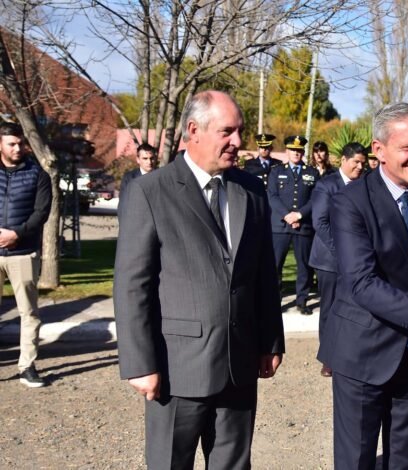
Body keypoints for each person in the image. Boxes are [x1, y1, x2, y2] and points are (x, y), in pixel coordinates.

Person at [114, 90, 285, 468]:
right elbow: (131, 284)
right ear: (193, 130)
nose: (238, 142)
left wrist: (270, 340)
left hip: (239, 364)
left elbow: (262, 275)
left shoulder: (251, 190)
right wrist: (140, 363)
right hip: (178, 369)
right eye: (227, 132)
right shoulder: (150, 191)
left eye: (239, 131)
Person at [319, 102, 408, 469]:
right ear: (378, 150)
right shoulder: (350, 202)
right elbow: (363, 283)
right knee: (357, 460)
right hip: (363, 351)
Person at [0, 122, 52, 388]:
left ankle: (27, 366)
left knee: (28, 312)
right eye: (11, 143)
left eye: (20, 143)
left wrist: (16, 234)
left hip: (23, 252)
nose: (18, 148)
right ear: (1, 144)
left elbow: (41, 212)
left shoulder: (37, 174)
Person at [308, 142, 366, 377]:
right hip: (330, 260)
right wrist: (344, 251)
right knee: (330, 308)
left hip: (358, 259)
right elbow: (320, 222)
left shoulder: (365, 185)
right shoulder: (327, 185)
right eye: (356, 162)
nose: (360, 167)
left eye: (363, 162)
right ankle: (328, 357)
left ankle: (350, 352)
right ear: (343, 160)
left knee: (354, 308)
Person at [268, 135, 320, 315]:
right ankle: (275, 301)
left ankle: (302, 300)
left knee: (304, 265)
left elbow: (316, 198)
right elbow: (272, 196)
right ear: (286, 151)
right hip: (280, 226)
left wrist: (300, 214)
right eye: (293, 150)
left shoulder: (312, 173)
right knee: (275, 265)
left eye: (299, 150)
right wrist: (287, 215)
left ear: (303, 152)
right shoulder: (276, 171)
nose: (296, 153)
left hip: (303, 226)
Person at [118, 143, 157, 216]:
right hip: (135, 221)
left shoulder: (161, 177)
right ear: (138, 160)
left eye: (151, 158)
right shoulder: (129, 178)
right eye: (145, 158)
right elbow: (123, 204)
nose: (149, 162)